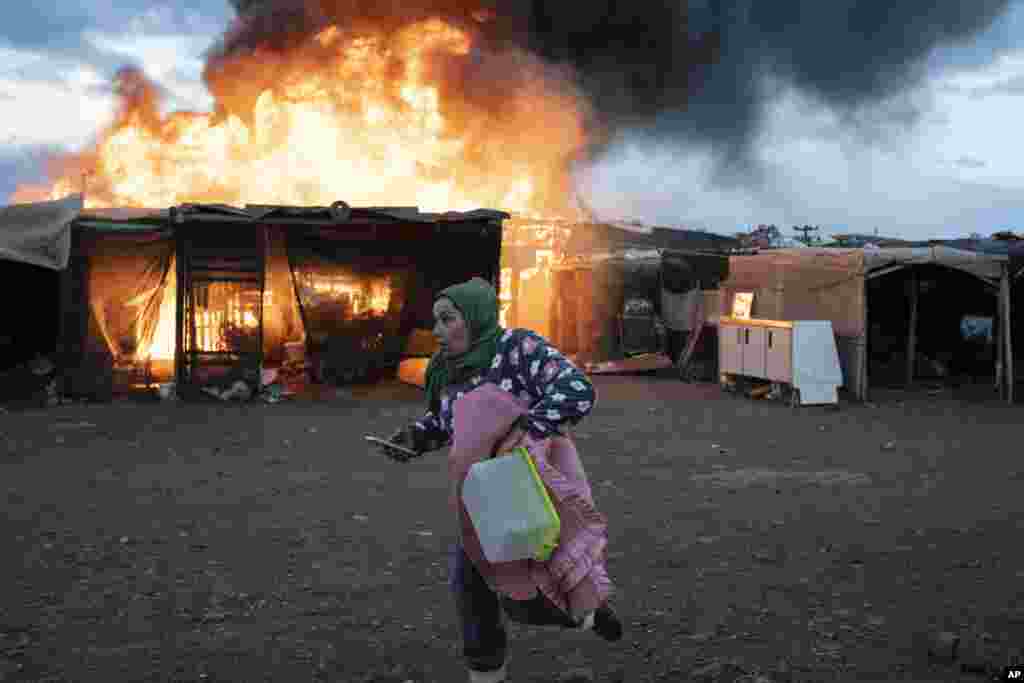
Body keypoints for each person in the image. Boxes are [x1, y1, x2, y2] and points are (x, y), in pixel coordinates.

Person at [376, 277, 622, 683]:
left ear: (475, 318)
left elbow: (577, 388)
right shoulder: (447, 369)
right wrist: (414, 438)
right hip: (476, 496)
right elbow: (445, 422)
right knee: (470, 596)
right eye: (435, 321)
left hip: (522, 492)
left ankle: (586, 614)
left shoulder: (517, 349)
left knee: (523, 600)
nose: (435, 331)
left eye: (446, 320)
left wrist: (525, 431)